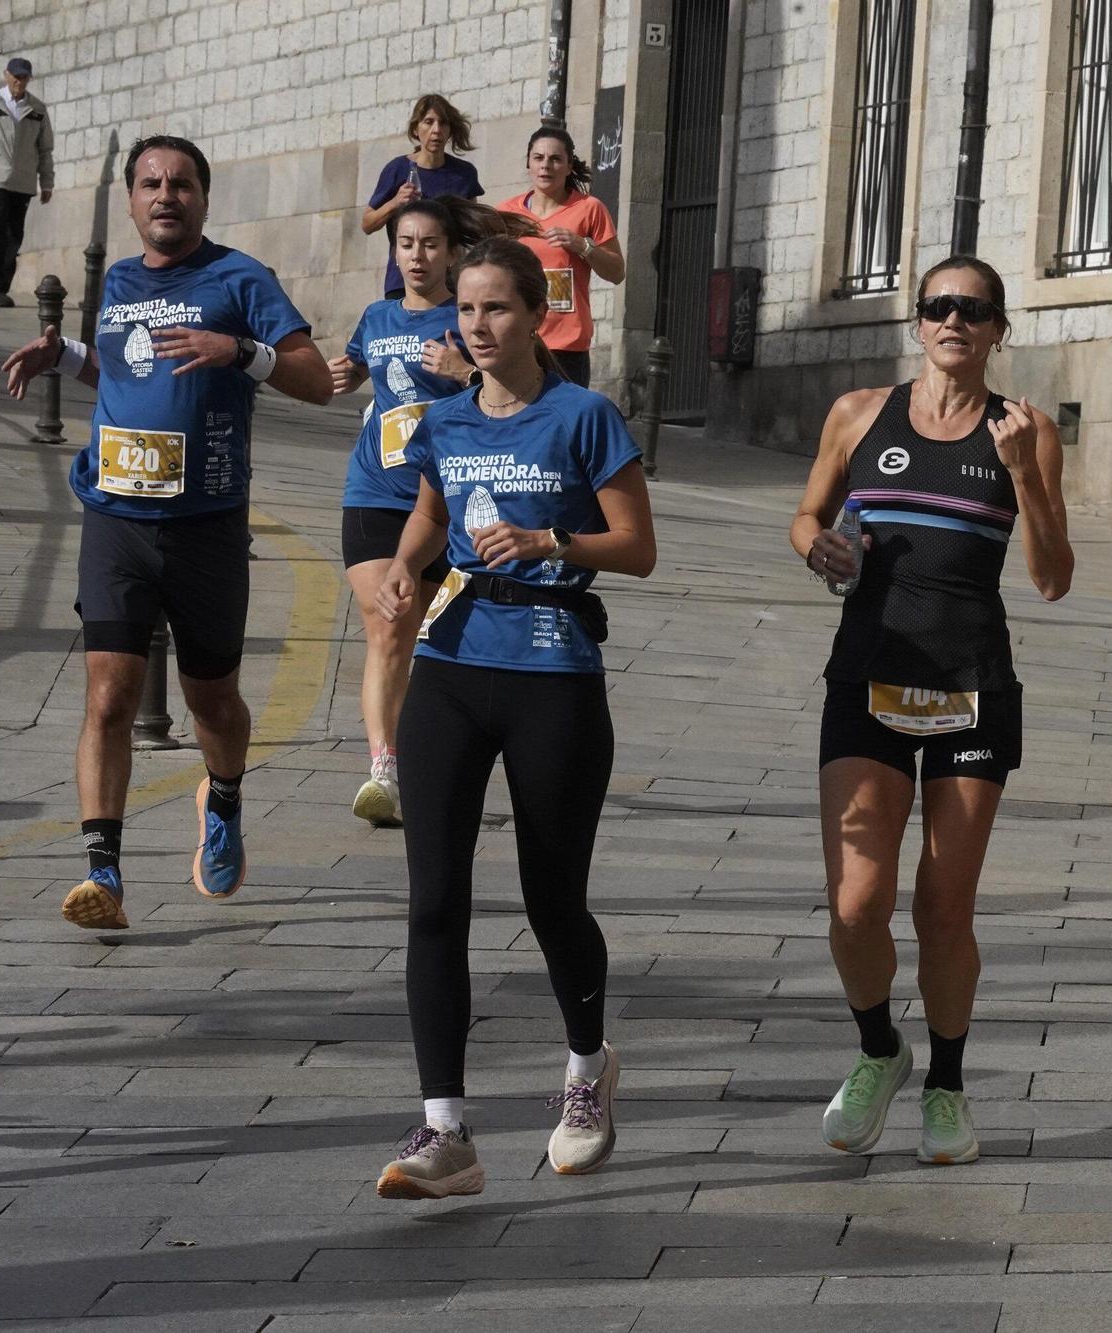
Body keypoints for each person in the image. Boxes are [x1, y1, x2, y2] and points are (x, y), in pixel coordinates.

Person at [370, 236, 655, 1199]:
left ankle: (585, 1068)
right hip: (452, 664)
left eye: (496, 309)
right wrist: (408, 566)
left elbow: (639, 547)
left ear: (537, 314)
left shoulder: (584, 417)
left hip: (554, 668)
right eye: (465, 310)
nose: (478, 327)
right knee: (435, 897)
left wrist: (550, 538)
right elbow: (429, 512)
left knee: (551, 897)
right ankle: (444, 1129)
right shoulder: (445, 422)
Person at [0, 135, 332, 932]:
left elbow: (317, 381)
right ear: (131, 199)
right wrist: (66, 353)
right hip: (118, 516)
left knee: (211, 697)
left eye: (181, 183)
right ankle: (102, 873)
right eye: (150, 183)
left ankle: (221, 799)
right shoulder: (117, 279)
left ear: (203, 198)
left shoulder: (240, 278)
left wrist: (240, 351)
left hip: (206, 526)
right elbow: (126, 368)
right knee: (109, 695)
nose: (165, 195)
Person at [788, 256, 1074, 1167]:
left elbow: (1054, 577)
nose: (955, 320)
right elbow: (806, 515)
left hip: (970, 681)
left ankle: (946, 1083)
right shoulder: (858, 414)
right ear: (919, 324)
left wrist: (1025, 474)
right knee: (855, 903)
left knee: (944, 906)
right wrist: (820, 548)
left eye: (975, 309)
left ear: (998, 329)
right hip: (868, 671)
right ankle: (881, 1050)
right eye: (940, 306)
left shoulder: (1023, 430)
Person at [329, 198, 537, 827]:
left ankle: (433, 754)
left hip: (444, 501)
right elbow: (357, 367)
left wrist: (465, 370)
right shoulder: (376, 316)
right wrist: (338, 372)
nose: (416, 257)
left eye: (429, 245)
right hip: (373, 493)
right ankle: (384, 770)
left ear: (451, 253)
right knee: (387, 625)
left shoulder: (472, 320)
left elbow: (521, 396)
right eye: (405, 244)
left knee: (429, 637)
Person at [497, 127, 623, 388]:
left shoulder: (589, 209)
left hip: (567, 344)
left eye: (555, 159)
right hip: (518, 336)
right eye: (539, 158)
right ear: (528, 163)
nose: (546, 166)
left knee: (565, 424)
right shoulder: (506, 213)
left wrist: (582, 246)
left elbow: (617, 272)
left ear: (568, 167)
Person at [362, 95, 484, 300]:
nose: (436, 130)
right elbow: (367, 223)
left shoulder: (464, 174)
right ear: (416, 129)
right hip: (403, 281)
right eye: (429, 122)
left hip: (449, 280)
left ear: (450, 131)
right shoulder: (398, 169)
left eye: (443, 123)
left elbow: (475, 228)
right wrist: (395, 203)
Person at [0, 56, 53, 307]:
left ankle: (0, 287)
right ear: (6, 75)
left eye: (24, 77)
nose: (19, 81)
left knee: (15, 234)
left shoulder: (37, 109)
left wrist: (47, 183)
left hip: (23, 182)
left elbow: (45, 149)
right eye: (16, 76)